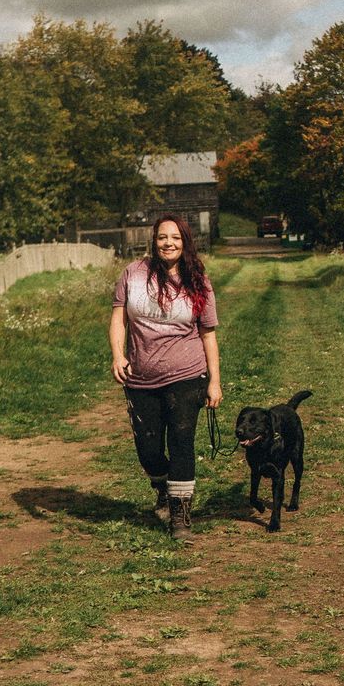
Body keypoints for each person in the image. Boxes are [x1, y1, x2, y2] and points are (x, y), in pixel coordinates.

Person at [109, 216, 221, 542]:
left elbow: (208, 334)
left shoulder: (198, 281)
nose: (168, 243)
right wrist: (118, 355)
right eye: (162, 237)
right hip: (141, 377)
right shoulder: (133, 274)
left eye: (175, 237)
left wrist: (214, 381)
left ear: (184, 241)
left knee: (182, 442)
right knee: (148, 449)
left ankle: (181, 516)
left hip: (188, 374)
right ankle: (162, 486)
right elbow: (118, 319)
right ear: (153, 241)